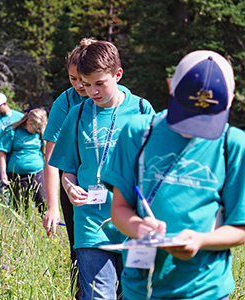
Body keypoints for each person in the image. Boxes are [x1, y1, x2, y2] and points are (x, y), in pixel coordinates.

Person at [102, 50, 245, 299]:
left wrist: (201, 241)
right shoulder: (138, 132)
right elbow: (119, 209)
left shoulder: (233, 144)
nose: (193, 128)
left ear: (231, 100)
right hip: (141, 288)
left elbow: (240, 226)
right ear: (170, 87)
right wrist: (140, 228)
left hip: (205, 289)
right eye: (187, 112)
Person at [48, 41, 155, 300]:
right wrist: (70, 188)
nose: (92, 91)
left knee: (135, 295)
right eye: (86, 84)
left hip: (135, 224)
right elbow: (67, 169)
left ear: (117, 74)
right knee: (99, 296)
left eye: (99, 83)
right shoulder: (77, 114)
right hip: (91, 225)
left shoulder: (142, 111)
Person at [42, 37, 97, 299]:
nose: (79, 85)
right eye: (72, 78)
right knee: (80, 251)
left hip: (111, 186)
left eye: (82, 78)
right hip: (73, 186)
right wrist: (53, 206)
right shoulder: (65, 103)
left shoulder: (110, 94)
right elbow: (52, 159)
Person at [0, 108, 48, 214]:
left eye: (40, 128)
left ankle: (49, 227)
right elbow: (2, 153)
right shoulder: (12, 131)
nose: (37, 130)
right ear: (28, 121)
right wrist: (3, 174)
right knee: (20, 207)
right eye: (36, 127)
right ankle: (21, 228)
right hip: (17, 175)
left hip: (38, 172)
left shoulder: (39, 133)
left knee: (43, 203)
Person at [0, 92, 24, 193]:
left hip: (16, 162)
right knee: (3, 194)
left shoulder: (20, 117)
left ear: (5, 103)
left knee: (18, 194)